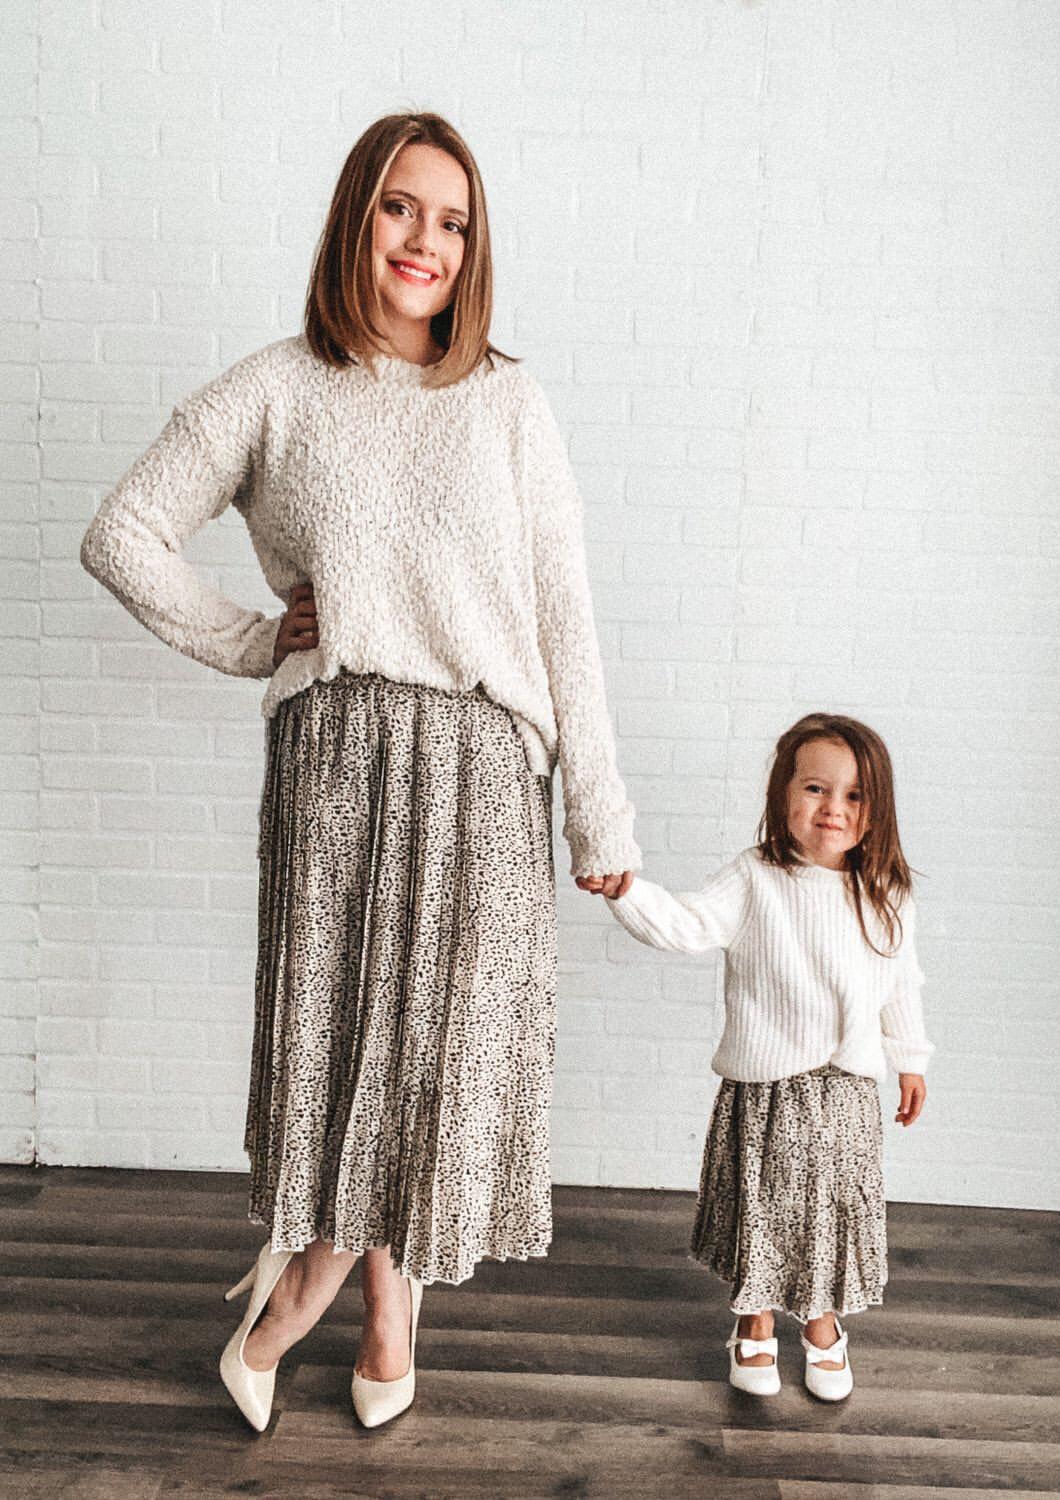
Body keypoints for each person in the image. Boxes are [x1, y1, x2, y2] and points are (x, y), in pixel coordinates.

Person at [78, 111, 639, 1432]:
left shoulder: (509, 399)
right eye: (401, 209)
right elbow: (124, 531)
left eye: (452, 221)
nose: (425, 242)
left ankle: (354, 1301)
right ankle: (332, 1306)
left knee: (435, 1055)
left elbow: (565, 611)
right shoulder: (278, 386)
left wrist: (598, 803)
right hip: (338, 761)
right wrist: (253, 636)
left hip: (489, 773)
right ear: (357, 218)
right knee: (346, 1050)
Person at [595, 712, 934, 1402]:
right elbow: (687, 923)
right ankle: (752, 1318)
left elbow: (901, 981)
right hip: (766, 1088)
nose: (832, 808)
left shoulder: (887, 893)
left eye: (853, 796)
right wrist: (627, 891)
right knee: (763, 1209)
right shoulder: (755, 879)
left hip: (844, 1094)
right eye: (815, 788)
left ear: (875, 813)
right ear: (784, 795)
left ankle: (819, 1321)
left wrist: (912, 1060)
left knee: (828, 1211)